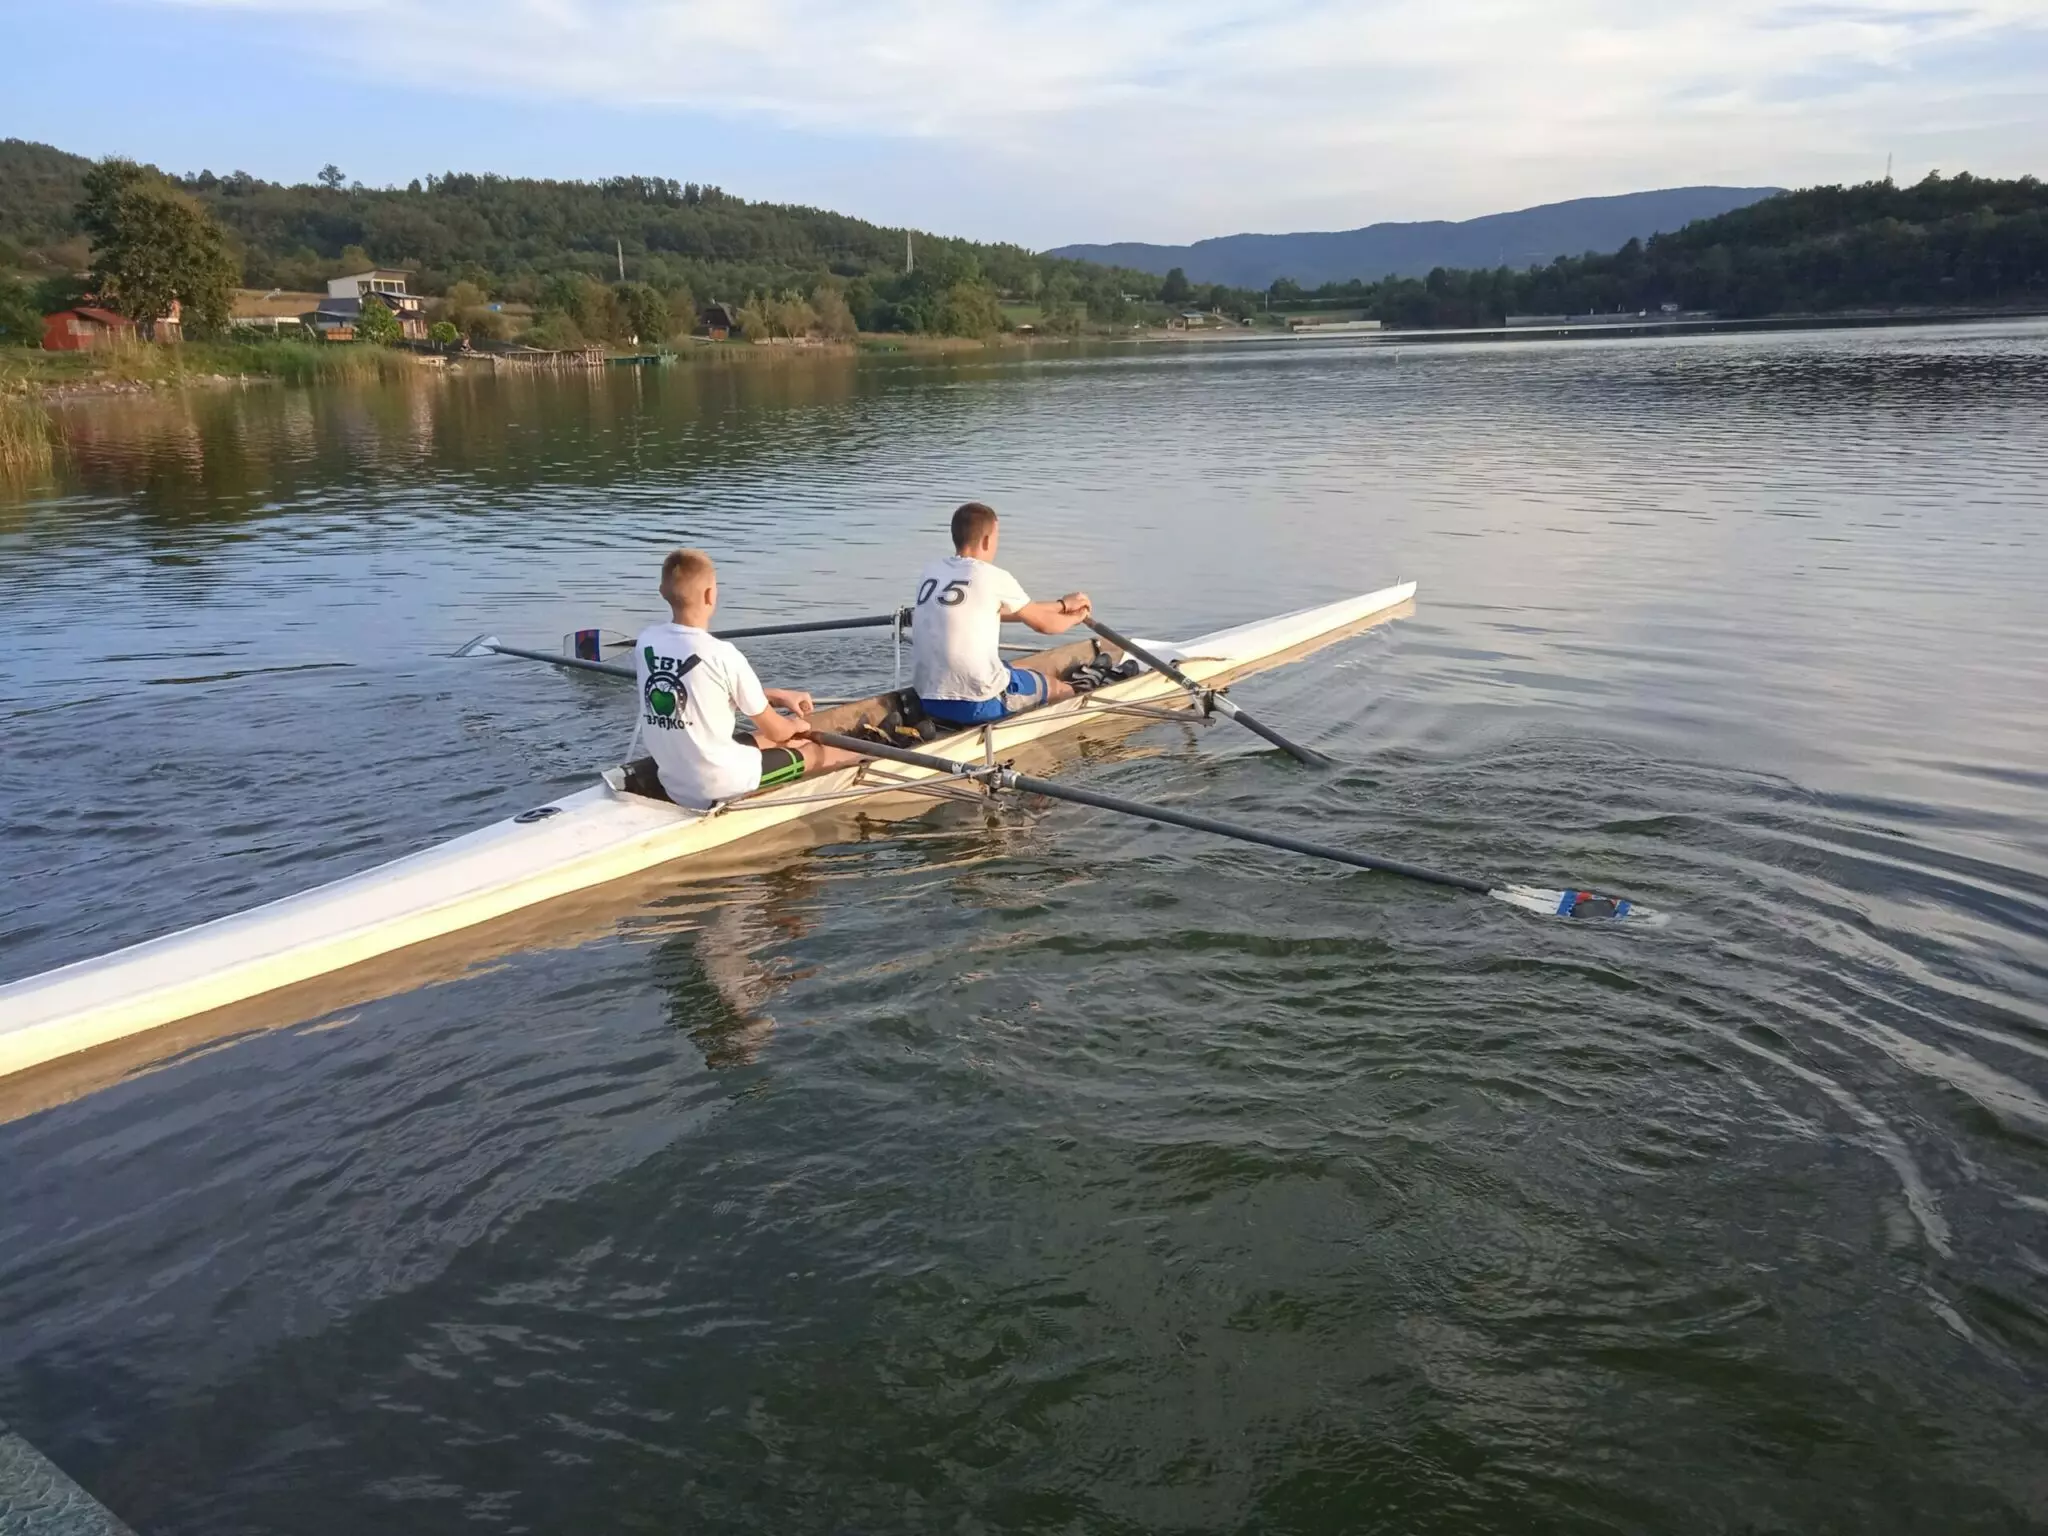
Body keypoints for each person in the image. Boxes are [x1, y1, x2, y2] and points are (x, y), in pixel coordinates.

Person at [634, 548, 863, 808]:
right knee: (813, 749)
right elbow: (777, 731)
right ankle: (870, 765)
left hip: (673, 780)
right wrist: (794, 726)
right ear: (710, 595)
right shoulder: (722, 654)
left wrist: (776, 695)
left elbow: (699, 688)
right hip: (721, 785)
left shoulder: (647, 641)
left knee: (764, 739)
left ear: (662, 592)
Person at [911, 502, 1093, 727]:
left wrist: (1062, 605)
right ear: (987, 540)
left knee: (1013, 669)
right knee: (1060, 689)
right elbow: (1046, 625)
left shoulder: (932, 571)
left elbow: (999, 610)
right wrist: (1078, 617)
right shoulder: (992, 576)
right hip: (979, 702)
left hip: (929, 699)